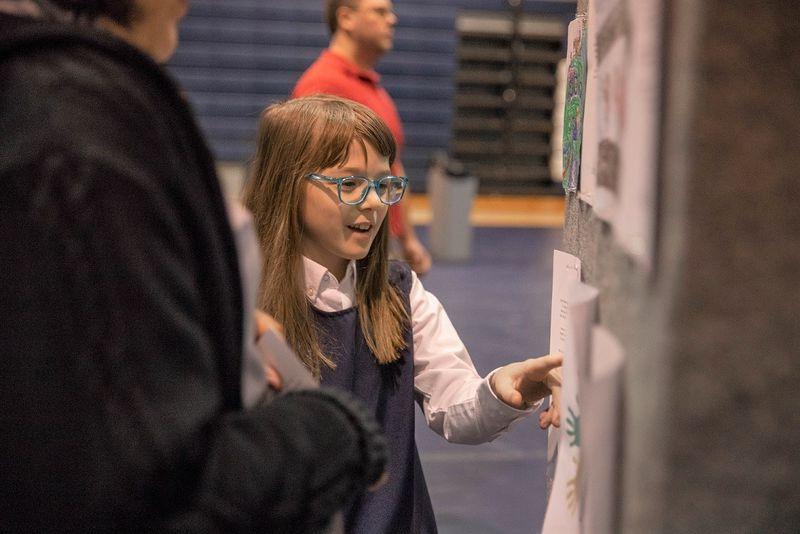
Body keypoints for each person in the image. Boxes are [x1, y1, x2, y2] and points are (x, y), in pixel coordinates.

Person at [0, 1, 386, 531]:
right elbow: (147, 487)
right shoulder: (74, 137)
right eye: (350, 182)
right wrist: (334, 433)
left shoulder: (66, 103)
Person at [243, 95, 563, 534]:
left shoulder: (400, 292)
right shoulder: (244, 307)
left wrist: (506, 389)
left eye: (383, 185)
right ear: (287, 185)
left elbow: (454, 406)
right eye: (349, 184)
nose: (374, 204)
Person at [292, 0, 432, 276]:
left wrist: (406, 237)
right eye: (379, 12)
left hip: (375, 239)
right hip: (347, 252)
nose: (392, 20)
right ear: (346, 18)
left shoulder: (371, 87)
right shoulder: (322, 86)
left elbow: (392, 167)